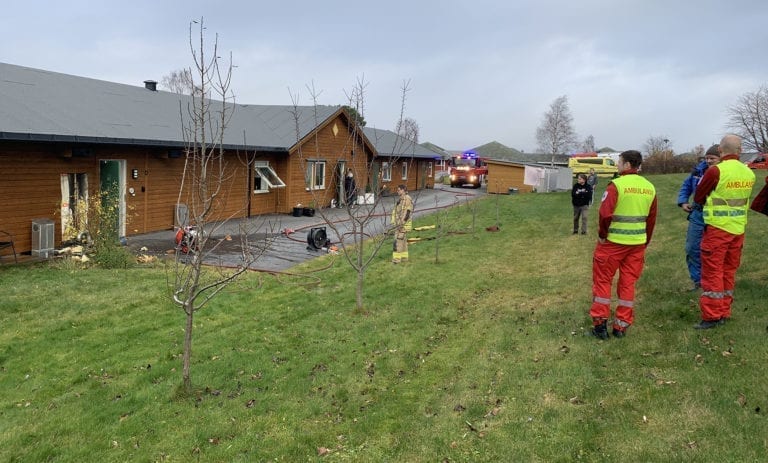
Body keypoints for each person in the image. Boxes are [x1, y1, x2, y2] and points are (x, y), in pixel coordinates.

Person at [589, 150, 657, 339]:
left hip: (613, 243)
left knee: (603, 282)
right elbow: (651, 219)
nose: (617, 165)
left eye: (619, 162)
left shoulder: (616, 186)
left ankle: (600, 325)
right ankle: (621, 326)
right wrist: (646, 241)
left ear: (627, 165)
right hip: (637, 244)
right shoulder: (649, 187)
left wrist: (602, 234)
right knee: (628, 284)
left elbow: (605, 214)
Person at [692, 134, 756, 329]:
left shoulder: (715, 171)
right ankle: (725, 311)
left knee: (712, 271)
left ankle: (712, 315)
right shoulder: (749, 173)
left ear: (720, 151)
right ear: (740, 151)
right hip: (738, 229)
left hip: (718, 229)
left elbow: (699, 196)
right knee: (728, 271)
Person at [676, 145, 720, 291]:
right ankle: (698, 281)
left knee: (714, 251)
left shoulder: (724, 173)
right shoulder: (698, 170)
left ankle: (714, 282)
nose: (708, 161)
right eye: (707, 158)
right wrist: (683, 201)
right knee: (692, 248)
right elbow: (686, 185)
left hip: (717, 215)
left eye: (712, 158)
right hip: (697, 214)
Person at [391, 184, 413, 264]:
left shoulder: (407, 199)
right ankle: (404, 258)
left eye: (399, 190)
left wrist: (401, 224)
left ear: (403, 190)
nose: (397, 191)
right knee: (403, 242)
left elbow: (407, 212)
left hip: (402, 225)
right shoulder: (401, 199)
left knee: (397, 242)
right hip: (400, 224)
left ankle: (396, 260)